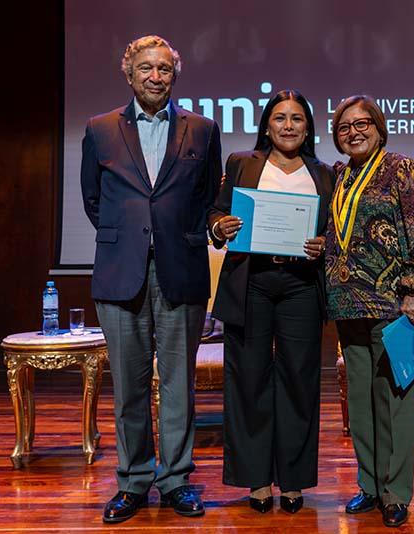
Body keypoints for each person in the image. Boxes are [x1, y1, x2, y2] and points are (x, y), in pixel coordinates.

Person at [80, 35, 221, 523]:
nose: (155, 76)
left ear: (174, 75)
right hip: (122, 273)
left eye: (163, 69)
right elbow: (94, 201)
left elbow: (206, 198)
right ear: (129, 73)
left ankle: (177, 479)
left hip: (181, 270)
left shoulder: (202, 130)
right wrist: (133, 240)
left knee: (179, 384)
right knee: (130, 386)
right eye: (146, 68)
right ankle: (135, 480)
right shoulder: (99, 129)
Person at [208, 90, 334, 514]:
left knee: (300, 381)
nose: (288, 126)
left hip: (301, 283)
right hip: (252, 282)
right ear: (266, 124)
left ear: (308, 127)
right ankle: (256, 480)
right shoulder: (242, 163)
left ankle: (294, 481)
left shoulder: (324, 172)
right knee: (248, 380)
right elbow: (215, 212)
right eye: (280, 118)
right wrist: (220, 227)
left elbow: (334, 231)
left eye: (298, 119)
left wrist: (323, 246)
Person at [325, 95, 414, 528]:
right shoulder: (339, 175)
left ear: (378, 126)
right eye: (344, 127)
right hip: (346, 302)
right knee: (360, 401)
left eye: (362, 124)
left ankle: (395, 492)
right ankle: (369, 484)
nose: (353, 132)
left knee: (394, 401)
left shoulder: (401, 169)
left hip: (394, 303)